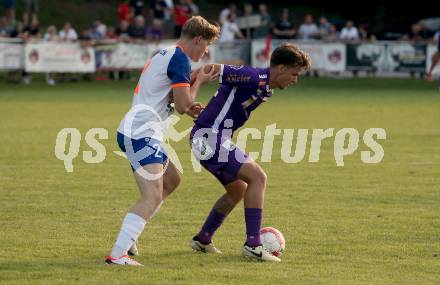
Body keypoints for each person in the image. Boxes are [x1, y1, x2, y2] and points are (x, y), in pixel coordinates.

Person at [105, 16, 220, 266]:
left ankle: (130, 237)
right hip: (140, 134)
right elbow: (182, 105)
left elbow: (169, 93)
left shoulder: (166, 53)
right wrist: (199, 81)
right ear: (198, 39)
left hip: (137, 130)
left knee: (172, 180)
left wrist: (193, 82)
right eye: (207, 46)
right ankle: (118, 254)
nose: (207, 51)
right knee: (153, 196)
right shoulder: (179, 58)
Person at [189, 43, 311, 262]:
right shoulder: (254, 77)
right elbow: (208, 70)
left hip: (210, 138)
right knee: (258, 177)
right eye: (294, 73)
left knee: (238, 189)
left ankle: (203, 239)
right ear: (281, 68)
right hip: (207, 136)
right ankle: (253, 245)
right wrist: (184, 98)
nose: (295, 80)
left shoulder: (265, 86)